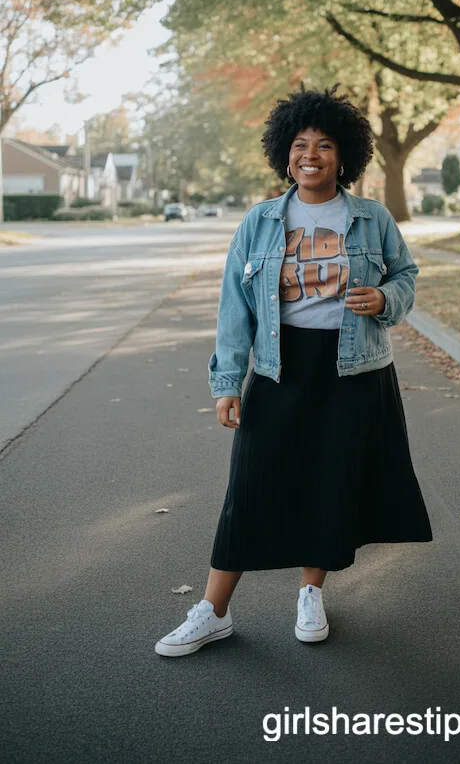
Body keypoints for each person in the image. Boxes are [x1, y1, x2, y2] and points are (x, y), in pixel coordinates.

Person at [155, 86, 432, 657]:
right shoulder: (259, 222)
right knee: (251, 484)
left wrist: (384, 299)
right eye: (301, 144)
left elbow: (405, 274)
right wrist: (227, 383)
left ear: (344, 156)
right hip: (281, 369)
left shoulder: (371, 217)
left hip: (354, 370)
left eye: (325, 145)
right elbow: (235, 307)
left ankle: (311, 593)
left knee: (332, 481)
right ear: (285, 154)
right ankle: (212, 611)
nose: (312, 154)